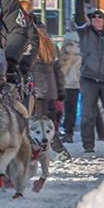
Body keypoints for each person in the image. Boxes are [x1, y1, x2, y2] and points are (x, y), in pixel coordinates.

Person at [75, 0, 104, 154]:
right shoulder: (86, 33)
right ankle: (88, 145)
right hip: (89, 78)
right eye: (94, 18)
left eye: (99, 18)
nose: (96, 20)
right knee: (87, 114)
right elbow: (79, 18)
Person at [30, 22, 71, 160]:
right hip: (51, 92)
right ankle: (59, 151)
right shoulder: (52, 49)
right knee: (50, 125)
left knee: (38, 125)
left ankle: (58, 151)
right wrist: (60, 92)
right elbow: (58, 73)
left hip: (36, 92)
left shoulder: (31, 50)